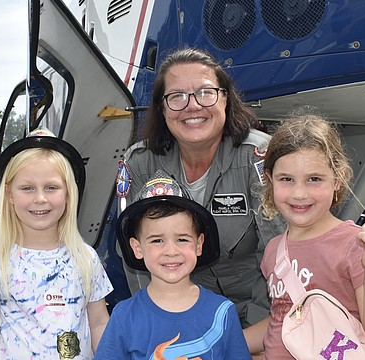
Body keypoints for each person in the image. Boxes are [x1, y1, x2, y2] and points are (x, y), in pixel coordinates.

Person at [116, 47, 286, 333]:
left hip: (258, 318)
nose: (192, 106)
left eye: (206, 92)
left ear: (225, 99)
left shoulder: (259, 158)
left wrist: (247, 337)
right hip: (178, 320)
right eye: (177, 96)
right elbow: (136, 261)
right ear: (162, 108)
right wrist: (160, 327)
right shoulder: (140, 163)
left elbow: (278, 255)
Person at [246, 114, 365, 358]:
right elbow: (283, 320)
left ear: (338, 179)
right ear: (270, 180)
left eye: (314, 179)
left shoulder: (355, 246)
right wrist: (219, 342)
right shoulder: (274, 250)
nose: (299, 193)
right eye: (286, 179)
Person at [0, 128, 113, 359]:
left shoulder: (86, 258)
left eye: (51, 187)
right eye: (27, 188)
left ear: (69, 194)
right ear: (9, 194)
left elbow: (99, 325)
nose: (40, 198)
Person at [97, 173, 251, 359]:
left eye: (182, 239)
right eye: (157, 240)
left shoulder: (223, 311)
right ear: (137, 248)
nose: (171, 251)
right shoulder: (124, 316)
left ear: (199, 244)